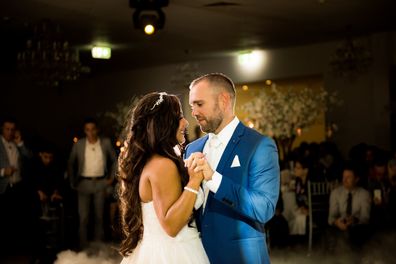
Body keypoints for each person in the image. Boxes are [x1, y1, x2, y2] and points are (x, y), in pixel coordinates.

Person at [185, 73, 280, 264]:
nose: (193, 112)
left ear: (224, 100)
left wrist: (213, 179)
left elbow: (264, 209)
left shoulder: (259, 146)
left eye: (199, 104)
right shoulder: (191, 149)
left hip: (241, 257)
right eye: (191, 106)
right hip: (195, 256)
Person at [118, 92, 209, 264]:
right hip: (173, 254)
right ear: (164, 122)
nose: (186, 122)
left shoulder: (150, 161)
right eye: (180, 116)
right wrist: (194, 181)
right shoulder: (162, 165)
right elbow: (171, 225)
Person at [67, 117, 117, 249]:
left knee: (99, 217)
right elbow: (71, 162)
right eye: (88, 130)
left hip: (101, 182)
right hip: (83, 183)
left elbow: (114, 160)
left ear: (97, 130)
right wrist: (72, 181)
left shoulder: (105, 142)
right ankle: (83, 247)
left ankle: (98, 247)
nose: (91, 132)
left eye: (93, 129)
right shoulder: (79, 144)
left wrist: (111, 177)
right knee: (83, 217)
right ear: (85, 131)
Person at [0, 118, 32, 253]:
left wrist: (20, 143)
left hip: (17, 186)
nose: (10, 132)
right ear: (2, 129)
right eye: (7, 129)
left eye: (12, 129)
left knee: (16, 219)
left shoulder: (16, 143)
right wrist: (2, 171)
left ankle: (15, 249)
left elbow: (29, 157)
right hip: (3, 186)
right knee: (3, 219)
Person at [328, 163, 371, 251]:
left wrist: (354, 220)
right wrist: (337, 222)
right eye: (343, 176)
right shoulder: (336, 193)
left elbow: (365, 217)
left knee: (360, 231)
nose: (344, 180)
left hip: (357, 228)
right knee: (330, 232)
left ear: (356, 179)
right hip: (339, 226)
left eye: (349, 177)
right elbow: (331, 217)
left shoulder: (364, 194)